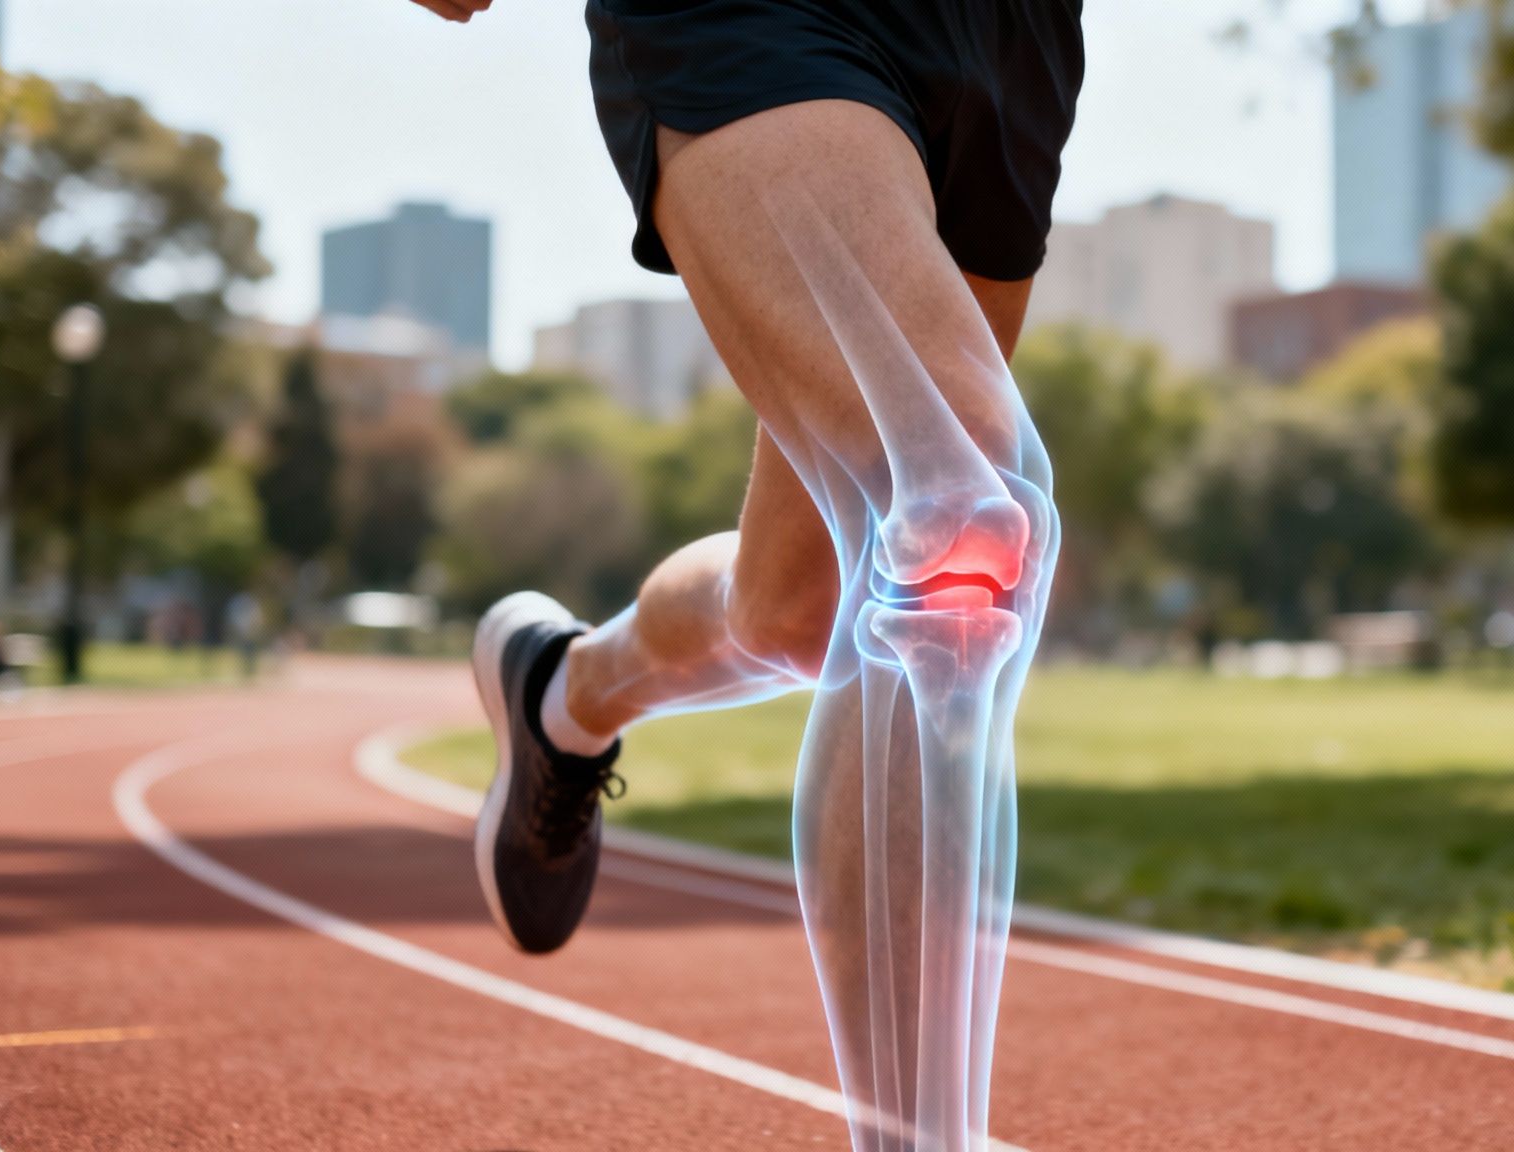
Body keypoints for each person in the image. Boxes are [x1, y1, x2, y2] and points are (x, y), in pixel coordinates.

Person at [419, 1, 1081, 1147]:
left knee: (803, 612)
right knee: (949, 519)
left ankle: (565, 692)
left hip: (1006, 28)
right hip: (768, 11)